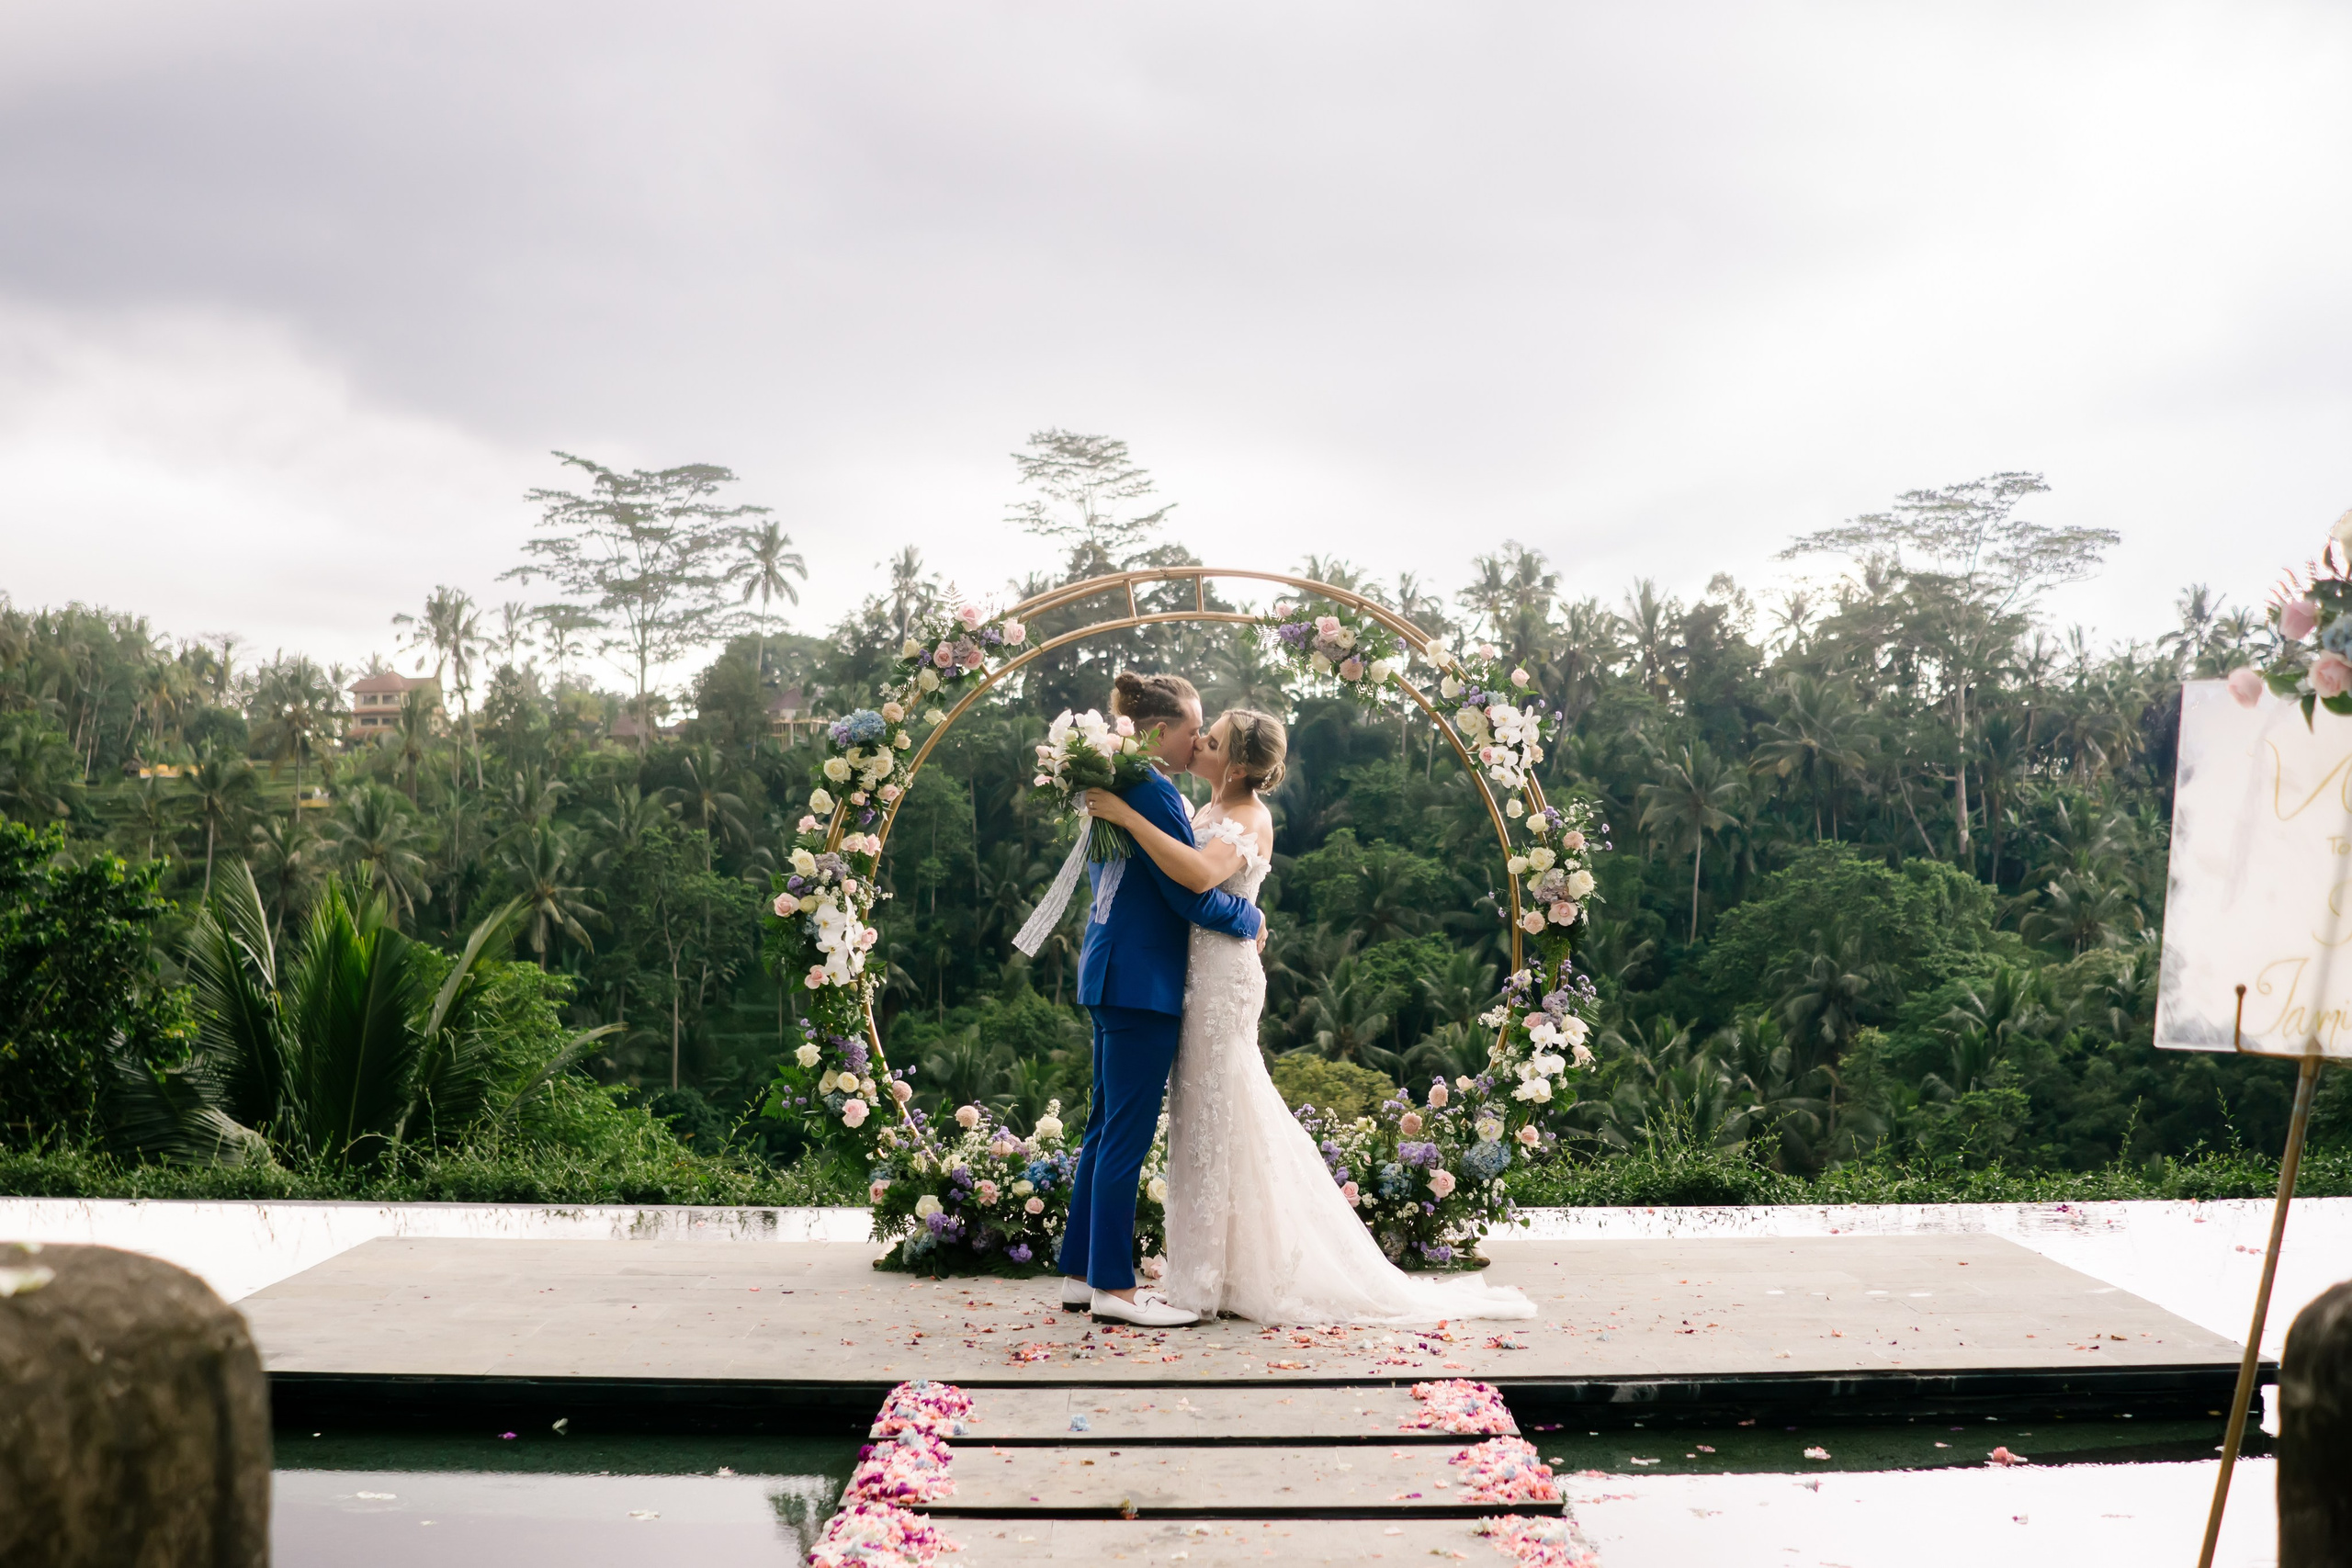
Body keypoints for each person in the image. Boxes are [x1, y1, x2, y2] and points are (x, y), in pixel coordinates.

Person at [1085, 705, 1535, 1325]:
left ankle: (1221, 1277)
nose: (1198, 743)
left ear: (1238, 764)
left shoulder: (1248, 817)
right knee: (1201, 1122)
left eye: (1210, 740)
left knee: (1223, 1111)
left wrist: (1127, 816)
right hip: (1190, 979)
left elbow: (1194, 877)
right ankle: (1206, 1270)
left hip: (1223, 981)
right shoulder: (1206, 810)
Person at [1056, 671, 1266, 1327]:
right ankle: (1113, 1290)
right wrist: (1251, 922)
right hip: (1143, 983)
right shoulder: (1155, 791)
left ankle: (1080, 1270)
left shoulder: (1124, 784)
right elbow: (1188, 895)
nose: (1196, 738)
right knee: (1124, 1133)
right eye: (1191, 728)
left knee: (1102, 1127)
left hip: (1111, 970)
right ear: (1158, 731)